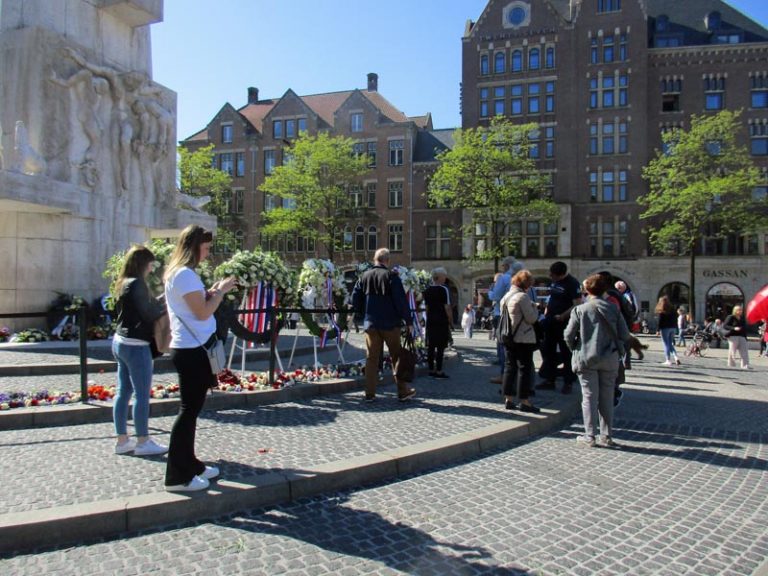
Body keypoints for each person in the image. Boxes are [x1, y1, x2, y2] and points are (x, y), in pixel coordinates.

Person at [163, 225, 237, 492]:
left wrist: (213, 291)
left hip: (192, 347)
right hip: (192, 350)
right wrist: (221, 291)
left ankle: (191, 463)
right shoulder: (184, 274)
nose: (207, 253)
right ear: (194, 247)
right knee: (188, 412)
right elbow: (203, 312)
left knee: (191, 411)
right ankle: (177, 477)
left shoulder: (180, 273)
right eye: (205, 248)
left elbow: (195, 306)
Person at [112, 245, 168, 456]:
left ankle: (122, 440)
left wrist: (158, 300)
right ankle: (143, 441)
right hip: (136, 344)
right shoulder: (138, 284)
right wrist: (165, 304)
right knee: (142, 394)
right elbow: (148, 314)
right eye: (151, 265)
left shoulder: (124, 282)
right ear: (143, 264)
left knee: (123, 392)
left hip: (120, 341)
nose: (152, 269)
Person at [564, 274, 630, 448]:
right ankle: (606, 435)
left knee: (589, 397)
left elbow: (568, 335)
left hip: (586, 357)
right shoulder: (613, 308)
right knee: (607, 397)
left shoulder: (580, 309)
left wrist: (575, 349)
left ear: (587, 290)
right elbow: (624, 335)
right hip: (610, 358)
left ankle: (590, 435)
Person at [351, 248, 416, 402]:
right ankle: (402, 391)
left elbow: (355, 298)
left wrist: (362, 313)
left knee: (371, 359)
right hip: (391, 324)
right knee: (396, 357)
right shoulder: (392, 277)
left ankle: (369, 393)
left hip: (371, 324)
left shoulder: (364, 276)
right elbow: (401, 302)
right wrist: (409, 321)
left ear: (375, 259)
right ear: (387, 261)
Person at [537, 261, 582, 394]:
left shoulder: (572, 283)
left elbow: (577, 304)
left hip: (564, 323)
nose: (551, 277)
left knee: (566, 352)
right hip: (551, 321)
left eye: (553, 275)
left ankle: (568, 382)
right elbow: (552, 297)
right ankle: (549, 379)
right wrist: (547, 309)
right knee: (548, 350)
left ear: (561, 274)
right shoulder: (555, 282)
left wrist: (563, 316)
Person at [500, 270, 540, 413]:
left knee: (509, 367)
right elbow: (531, 318)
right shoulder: (523, 297)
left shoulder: (506, 297)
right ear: (526, 284)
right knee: (524, 368)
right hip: (523, 337)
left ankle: (508, 399)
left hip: (508, 336)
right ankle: (524, 401)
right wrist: (535, 307)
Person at [487, 257, 524, 384]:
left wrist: (490, 292)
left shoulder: (504, 278)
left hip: (502, 314)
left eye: (503, 265)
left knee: (504, 347)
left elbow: (496, 296)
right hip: (520, 315)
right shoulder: (523, 278)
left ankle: (504, 375)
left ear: (507, 265)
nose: (502, 268)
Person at [422, 267, 453, 378]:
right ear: (439, 277)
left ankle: (431, 369)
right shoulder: (444, 289)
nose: (445, 278)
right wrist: (450, 321)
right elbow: (447, 307)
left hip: (431, 320)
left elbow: (426, 307)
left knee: (431, 346)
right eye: (444, 276)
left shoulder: (427, 290)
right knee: (440, 347)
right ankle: (439, 370)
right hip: (441, 321)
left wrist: (428, 318)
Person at [614, 281, 648, 361]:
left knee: (624, 339)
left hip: (626, 321)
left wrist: (632, 319)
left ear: (621, 288)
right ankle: (625, 356)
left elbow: (634, 308)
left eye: (617, 288)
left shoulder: (628, 295)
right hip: (622, 320)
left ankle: (626, 357)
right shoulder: (621, 295)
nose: (616, 290)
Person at [723, 305, 751, 369]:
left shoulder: (742, 318)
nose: (740, 311)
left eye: (741, 310)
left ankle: (745, 365)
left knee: (744, 351)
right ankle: (731, 364)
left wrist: (745, 337)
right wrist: (734, 328)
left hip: (742, 336)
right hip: (733, 336)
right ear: (735, 310)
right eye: (739, 310)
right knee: (732, 351)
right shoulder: (731, 317)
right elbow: (725, 326)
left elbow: (744, 328)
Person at [656, 296, 680, 366]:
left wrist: (658, 330)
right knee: (670, 344)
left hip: (665, 328)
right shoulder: (673, 310)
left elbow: (660, 321)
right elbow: (676, 318)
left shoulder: (662, 311)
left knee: (666, 344)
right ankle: (676, 357)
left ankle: (668, 360)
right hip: (673, 328)